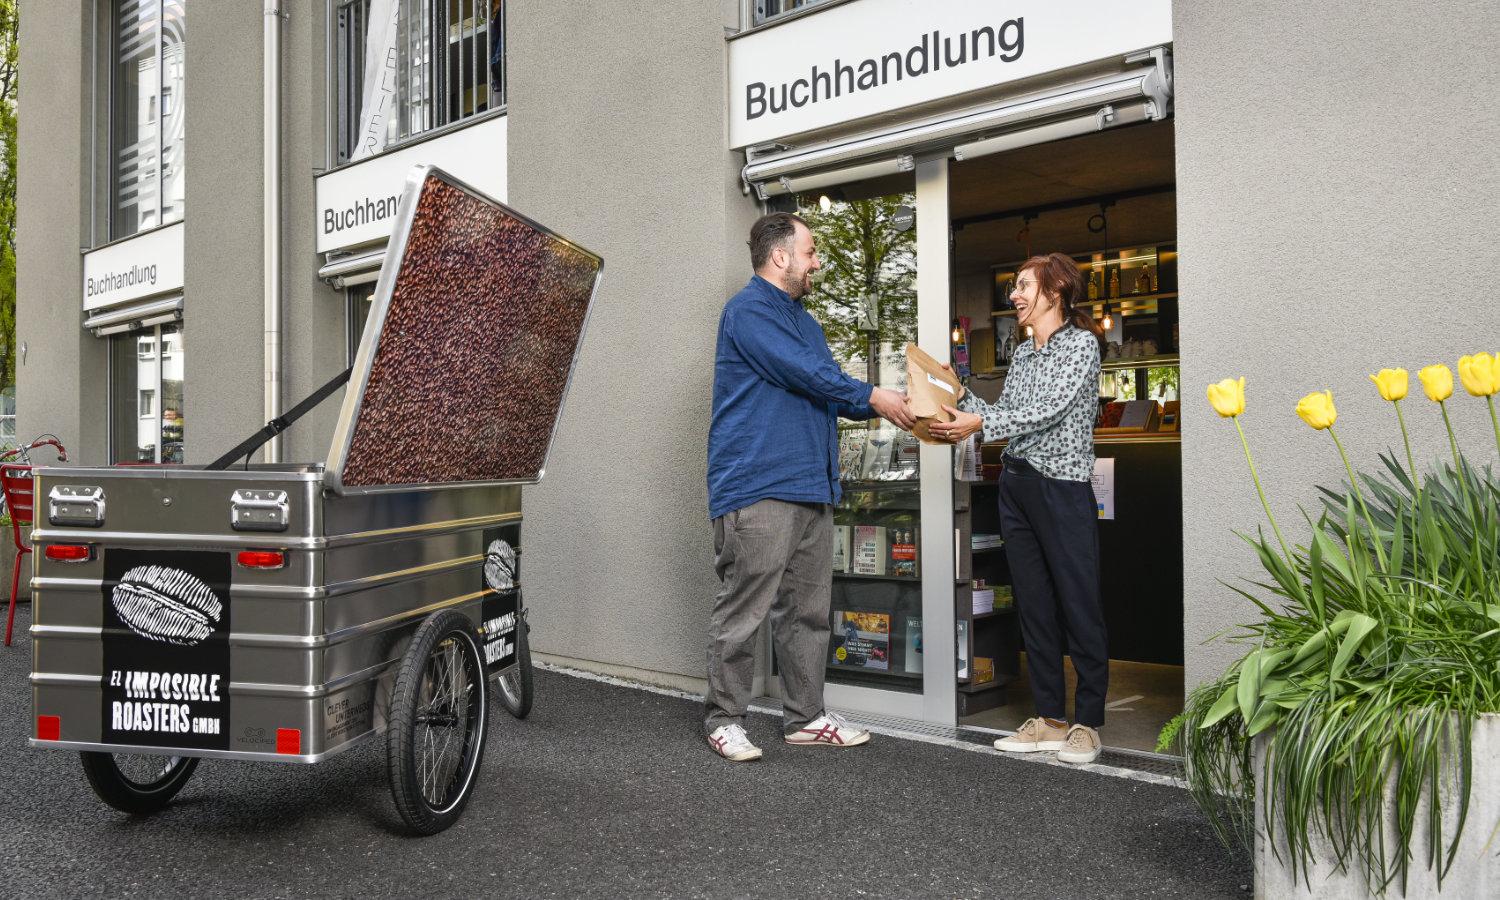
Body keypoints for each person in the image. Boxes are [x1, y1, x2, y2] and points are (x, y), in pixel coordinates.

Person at [704, 212, 916, 762]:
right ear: (781, 257)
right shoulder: (748, 311)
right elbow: (805, 373)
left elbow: (829, 391)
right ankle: (724, 719)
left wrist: (896, 406)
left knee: (808, 613)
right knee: (743, 611)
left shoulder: (807, 323)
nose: (817, 262)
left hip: (810, 487)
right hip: (758, 487)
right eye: (811, 252)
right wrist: (873, 395)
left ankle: (805, 717)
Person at [928, 252, 1107, 765]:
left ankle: (1087, 723)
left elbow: (1047, 410)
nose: (1015, 295)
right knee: (1034, 604)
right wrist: (960, 393)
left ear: (1055, 291)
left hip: (1062, 489)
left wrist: (980, 423)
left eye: (1025, 286)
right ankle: (1050, 719)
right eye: (1015, 286)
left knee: (1078, 604)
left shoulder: (1081, 345)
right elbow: (1008, 414)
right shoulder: (1025, 354)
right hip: (1018, 486)